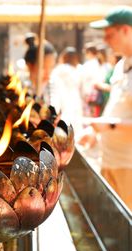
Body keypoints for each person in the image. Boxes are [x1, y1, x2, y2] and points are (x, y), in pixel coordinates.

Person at [79, 6, 132, 210]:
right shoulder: (121, 66)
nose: (106, 40)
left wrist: (108, 126)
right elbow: (116, 106)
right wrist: (94, 131)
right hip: (109, 158)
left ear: (126, 30)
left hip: (128, 164)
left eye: (110, 34)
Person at [49, 47, 83, 132]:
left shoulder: (59, 69)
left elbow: (53, 85)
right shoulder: (79, 69)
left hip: (62, 98)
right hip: (76, 99)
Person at [23, 33, 57, 102]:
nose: (48, 74)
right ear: (30, 66)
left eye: (51, 68)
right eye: (44, 68)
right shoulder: (21, 89)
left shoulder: (54, 89)